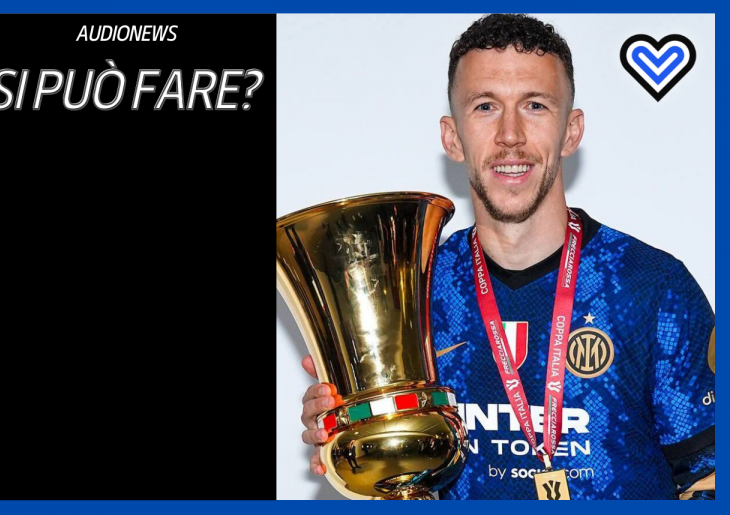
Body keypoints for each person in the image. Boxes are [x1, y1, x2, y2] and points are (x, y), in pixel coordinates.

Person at [298, 14, 715, 500]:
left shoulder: (653, 287)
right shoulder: (409, 299)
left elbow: (712, 476)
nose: (510, 135)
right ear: (452, 137)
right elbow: (399, 481)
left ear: (571, 131)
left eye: (535, 105)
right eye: (485, 107)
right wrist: (353, 427)